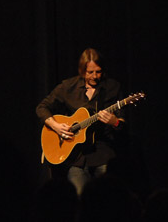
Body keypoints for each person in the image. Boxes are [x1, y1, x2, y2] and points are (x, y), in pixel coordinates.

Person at [36, 47, 124, 195]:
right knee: (79, 197)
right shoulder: (68, 87)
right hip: (76, 158)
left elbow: (122, 124)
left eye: (98, 72)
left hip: (103, 154)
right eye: (90, 72)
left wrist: (114, 121)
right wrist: (56, 126)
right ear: (82, 71)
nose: (95, 76)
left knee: (107, 196)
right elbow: (42, 108)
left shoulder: (112, 88)